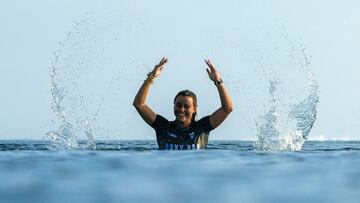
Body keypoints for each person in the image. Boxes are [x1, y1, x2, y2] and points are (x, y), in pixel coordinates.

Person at [133, 57, 233, 150]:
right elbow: (139, 104)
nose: (181, 109)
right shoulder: (163, 126)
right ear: (173, 106)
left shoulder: (202, 127)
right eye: (178, 105)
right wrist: (151, 77)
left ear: (194, 109)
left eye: (186, 106)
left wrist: (218, 81)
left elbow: (227, 109)